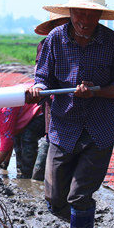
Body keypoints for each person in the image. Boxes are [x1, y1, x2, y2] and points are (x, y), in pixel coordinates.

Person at [28, 0, 114, 228]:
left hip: (99, 130)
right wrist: (38, 88)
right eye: (80, 14)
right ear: (70, 13)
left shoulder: (113, 43)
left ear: (100, 16)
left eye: (91, 15)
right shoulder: (55, 39)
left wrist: (97, 91)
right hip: (64, 127)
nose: (84, 21)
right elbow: (42, 76)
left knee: (80, 196)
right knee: (54, 198)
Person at [31, 13, 71, 181]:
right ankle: (40, 176)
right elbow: (40, 73)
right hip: (53, 98)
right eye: (59, 25)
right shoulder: (45, 44)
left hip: (73, 98)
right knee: (52, 135)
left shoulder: (76, 44)